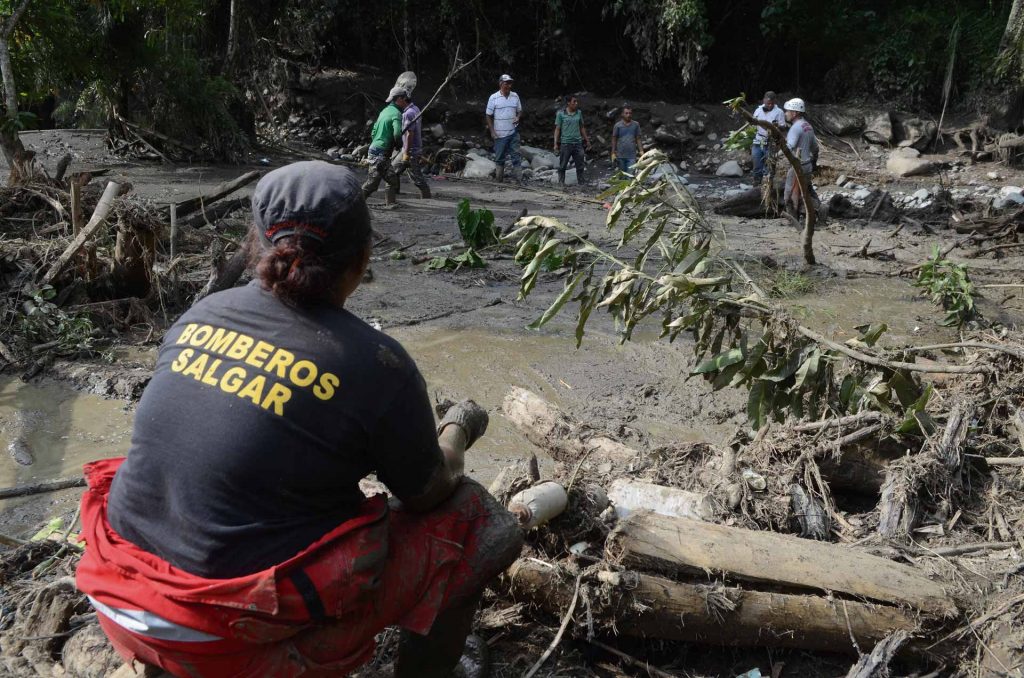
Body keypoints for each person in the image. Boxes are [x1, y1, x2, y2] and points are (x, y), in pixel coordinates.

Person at [75, 161, 524, 678]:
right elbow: (432, 490)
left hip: (120, 598)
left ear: (255, 245)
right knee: (476, 520)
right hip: (226, 638)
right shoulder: (377, 363)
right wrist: (457, 429)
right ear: (362, 259)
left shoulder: (200, 315)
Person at [363, 87, 409, 205]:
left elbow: (374, 131)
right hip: (380, 152)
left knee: (392, 179)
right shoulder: (397, 114)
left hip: (376, 148)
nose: (406, 101)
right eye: (404, 99)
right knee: (372, 183)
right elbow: (397, 133)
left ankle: (391, 203)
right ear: (399, 99)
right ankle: (356, 203)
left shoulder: (384, 111)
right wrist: (398, 144)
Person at [782, 97, 820, 216]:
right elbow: (815, 148)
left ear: (795, 113)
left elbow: (789, 147)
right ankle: (820, 209)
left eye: (788, 111)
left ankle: (794, 218)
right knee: (807, 191)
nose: (786, 113)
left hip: (798, 167)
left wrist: (776, 154)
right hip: (807, 165)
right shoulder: (807, 126)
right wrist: (814, 162)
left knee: (789, 193)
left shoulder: (795, 128)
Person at [392, 92, 431, 199]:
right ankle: (394, 193)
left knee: (416, 177)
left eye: (396, 100)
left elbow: (410, 134)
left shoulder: (408, 113)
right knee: (394, 170)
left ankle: (426, 197)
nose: (395, 103)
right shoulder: (416, 109)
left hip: (410, 150)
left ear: (402, 99)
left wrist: (406, 154)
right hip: (411, 148)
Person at [485, 74, 523, 183]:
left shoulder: (515, 96)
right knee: (500, 158)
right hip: (499, 134)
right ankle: (499, 180)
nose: (509, 85)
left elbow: (520, 110)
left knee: (516, 157)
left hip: (513, 132)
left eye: (510, 83)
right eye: (506, 83)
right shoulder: (493, 97)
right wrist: (492, 131)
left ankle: (519, 181)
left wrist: (518, 117)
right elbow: (488, 115)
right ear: (500, 83)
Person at [554, 95, 591, 186]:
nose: (576, 103)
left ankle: (581, 182)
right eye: (574, 102)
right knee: (563, 165)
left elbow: (581, 127)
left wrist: (587, 140)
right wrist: (555, 143)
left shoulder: (579, 113)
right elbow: (557, 129)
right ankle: (561, 183)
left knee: (580, 165)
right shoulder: (561, 114)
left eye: (576, 102)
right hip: (566, 143)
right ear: (568, 103)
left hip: (578, 143)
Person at [752, 91, 785, 182]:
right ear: (764, 101)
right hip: (758, 140)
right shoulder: (758, 110)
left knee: (769, 166)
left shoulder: (779, 112)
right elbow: (753, 125)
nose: (770, 105)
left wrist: (777, 126)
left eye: (771, 104)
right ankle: (756, 184)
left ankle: (768, 186)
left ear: (775, 102)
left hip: (771, 142)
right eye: (768, 103)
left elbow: (783, 127)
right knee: (757, 164)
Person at [611, 105, 643, 174]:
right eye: (626, 113)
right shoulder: (618, 125)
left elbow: (638, 139)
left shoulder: (636, 124)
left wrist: (641, 151)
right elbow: (614, 139)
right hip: (620, 155)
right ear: (622, 114)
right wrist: (613, 153)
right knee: (622, 176)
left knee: (630, 175)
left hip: (632, 156)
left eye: (630, 113)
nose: (628, 115)